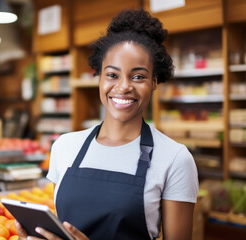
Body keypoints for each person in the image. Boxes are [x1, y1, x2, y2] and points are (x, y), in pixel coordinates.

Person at [16, 8, 199, 240]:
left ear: (154, 82)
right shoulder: (65, 147)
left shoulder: (174, 159)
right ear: (99, 77)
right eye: (112, 75)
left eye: (138, 76)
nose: (123, 87)